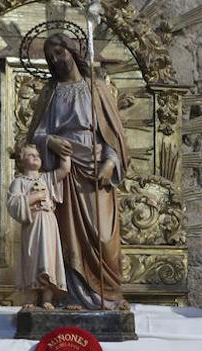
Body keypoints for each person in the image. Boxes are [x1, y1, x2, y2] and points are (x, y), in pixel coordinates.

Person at [28, 32, 131, 309]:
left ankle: (106, 297)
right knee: (67, 234)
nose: (56, 60)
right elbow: (35, 135)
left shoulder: (95, 88)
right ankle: (72, 296)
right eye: (50, 58)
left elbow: (114, 136)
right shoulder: (51, 93)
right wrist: (50, 140)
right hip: (66, 169)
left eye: (59, 53)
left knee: (103, 237)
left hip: (96, 167)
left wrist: (110, 164)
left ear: (73, 52)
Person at [7, 142, 69, 308]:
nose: (35, 157)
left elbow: (65, 170)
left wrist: (65, 149)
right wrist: (35, 197)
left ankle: (47, 299)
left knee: (49, 259)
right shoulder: (19, 182)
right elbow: (13, 204)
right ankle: (31, 299)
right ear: (21, 161)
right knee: (32, 258)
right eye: (30, 155)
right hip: (32, 224)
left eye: (37, 155)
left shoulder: (46, 178)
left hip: (48, 222)